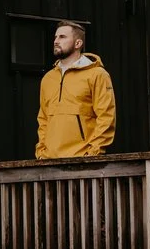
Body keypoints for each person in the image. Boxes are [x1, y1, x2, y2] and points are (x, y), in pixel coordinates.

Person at [34, 20, 115, 158]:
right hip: (49, 161)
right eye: (55, 37)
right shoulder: (48, 79)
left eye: (62, 37)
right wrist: (41, 152)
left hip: (82, 160)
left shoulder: (98, 74)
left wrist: (93, 153)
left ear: (78, 43)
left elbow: (106, 117)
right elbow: (43, 119)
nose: (56, 41)